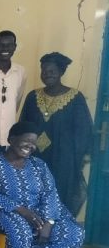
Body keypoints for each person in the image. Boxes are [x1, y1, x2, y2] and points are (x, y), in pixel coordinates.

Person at [0, 121, 84, 248]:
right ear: (11, 139)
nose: (30, 146)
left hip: (45, 211)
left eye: (34, 143)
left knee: (73, 233)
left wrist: (49, 221)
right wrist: (21, 209)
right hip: (10, 212)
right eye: (26, 141)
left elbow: (50, 192)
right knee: (20, 231)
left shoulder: (39, 165)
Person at [20, 52, 93, 216]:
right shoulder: (33, 96)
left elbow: (82, 131)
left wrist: (76, 160)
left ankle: (58, 232)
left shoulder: (75, 98)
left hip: (63, 159)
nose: (47, 74)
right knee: (35, 191)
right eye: (44, 71)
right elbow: (23, 127)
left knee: (61, 194)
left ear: (61, 72)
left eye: (52, 71)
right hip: (35, 156)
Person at [0, 30, 27, 158]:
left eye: (9, 45)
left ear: (14, 47)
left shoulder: (21, 71)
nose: (5, 48)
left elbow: (17, 101)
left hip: (10, 137)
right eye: (1, 45)